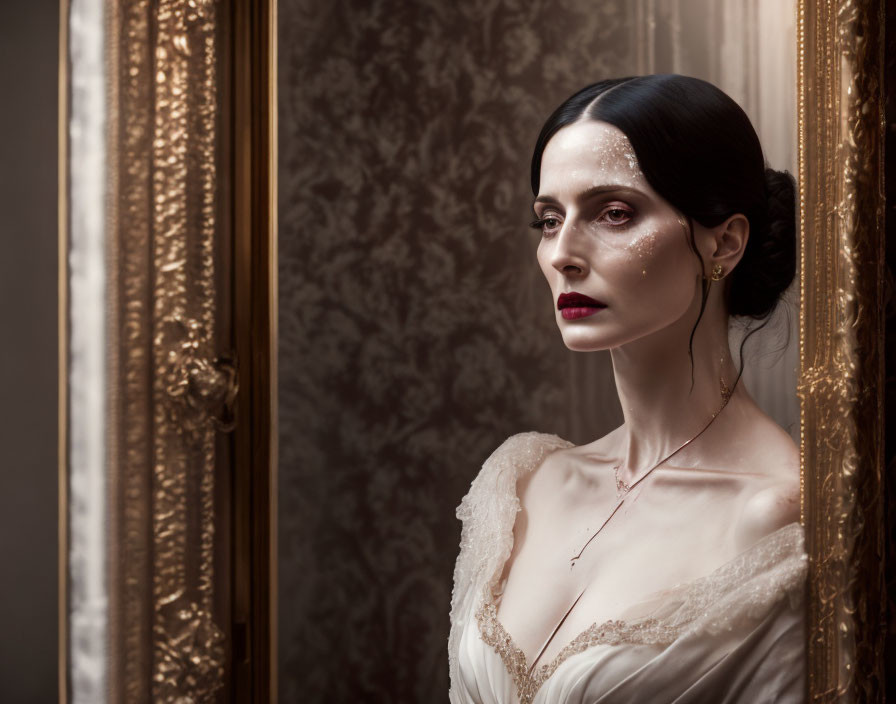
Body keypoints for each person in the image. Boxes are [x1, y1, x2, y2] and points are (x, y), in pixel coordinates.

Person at [447, 74, 807, 703]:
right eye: (549, 219)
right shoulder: (526, 484)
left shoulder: (779, 515)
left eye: (614, 213)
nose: (564, 253)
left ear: (724, 241)